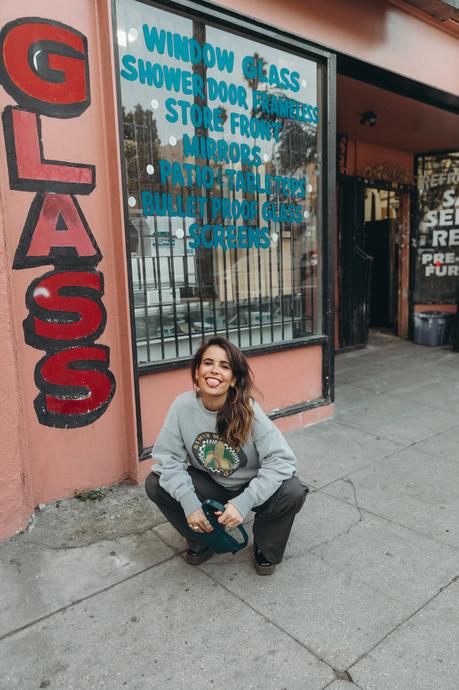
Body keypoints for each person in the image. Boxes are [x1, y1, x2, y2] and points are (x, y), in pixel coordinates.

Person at [145, 336, 308, 575]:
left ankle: (265, 547)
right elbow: (169, 460)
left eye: (224, 366)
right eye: (208, 363)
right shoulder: (182, 406)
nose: (214, 370)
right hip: (210, 484)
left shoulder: (249, 411)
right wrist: (190, 503)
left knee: (292, 491)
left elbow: (282, 460)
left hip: (250, 485)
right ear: (197, 371)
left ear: (233, 379)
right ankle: (202, 539)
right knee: (156, 483)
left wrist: (245, 501)